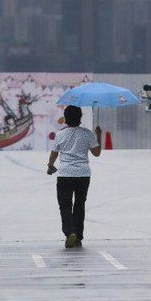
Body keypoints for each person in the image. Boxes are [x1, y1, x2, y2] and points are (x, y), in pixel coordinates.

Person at [47, 105, 102, 248]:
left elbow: (54, 153)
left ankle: (69, 232)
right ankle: (78, 236)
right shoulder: (87, 134)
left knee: (65, 206)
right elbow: (96, 153)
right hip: (83, 174)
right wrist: (99, 136)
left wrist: (50, 165)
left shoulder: (60, 134)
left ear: (65, 119)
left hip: (65, 174)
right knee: (79, 205)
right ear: (80, 118)